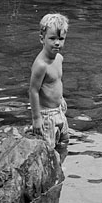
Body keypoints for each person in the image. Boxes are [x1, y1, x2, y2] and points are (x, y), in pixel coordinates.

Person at [29, 13, 69, 161]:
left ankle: (60, 169)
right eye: (52, 38)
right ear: (42, 39)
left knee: (63, 142)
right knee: (47, 150)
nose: (57, 43)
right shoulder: (41, 65)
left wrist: (61, 98)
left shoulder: (59, 58)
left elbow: (57, 81)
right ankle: (49, 174)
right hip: (46, 116)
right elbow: (33, 90)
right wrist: (36, 118)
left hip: (59, 110)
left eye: (61, 39)